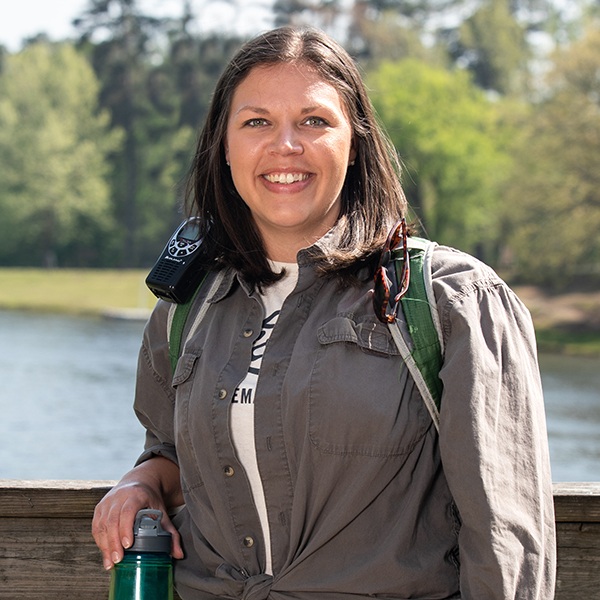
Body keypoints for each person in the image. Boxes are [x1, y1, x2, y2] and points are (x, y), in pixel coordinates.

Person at [92, 25, 556, 599]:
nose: (286, 145)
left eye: (314, 121)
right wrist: (141, 483)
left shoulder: (451, 301)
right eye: (257, 122)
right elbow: (172, 456)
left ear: (354, 141)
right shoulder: (189, 303)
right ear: (226, 146)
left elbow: (506, 541)